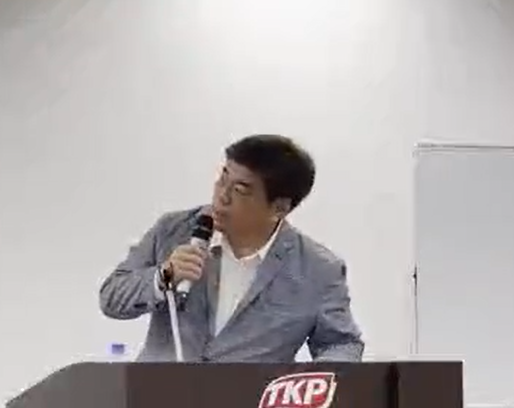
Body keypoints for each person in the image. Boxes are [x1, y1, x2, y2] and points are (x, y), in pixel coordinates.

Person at [98, 134, 364, 363]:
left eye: (240, 190)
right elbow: (111, 298)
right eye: (222, 178)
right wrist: (162, 277)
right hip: (159, 396)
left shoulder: (318, 269)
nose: (221, 196)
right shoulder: (174, 230)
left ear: (279, 208)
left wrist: (306, 384)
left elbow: (341, 344)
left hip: (249, 403)